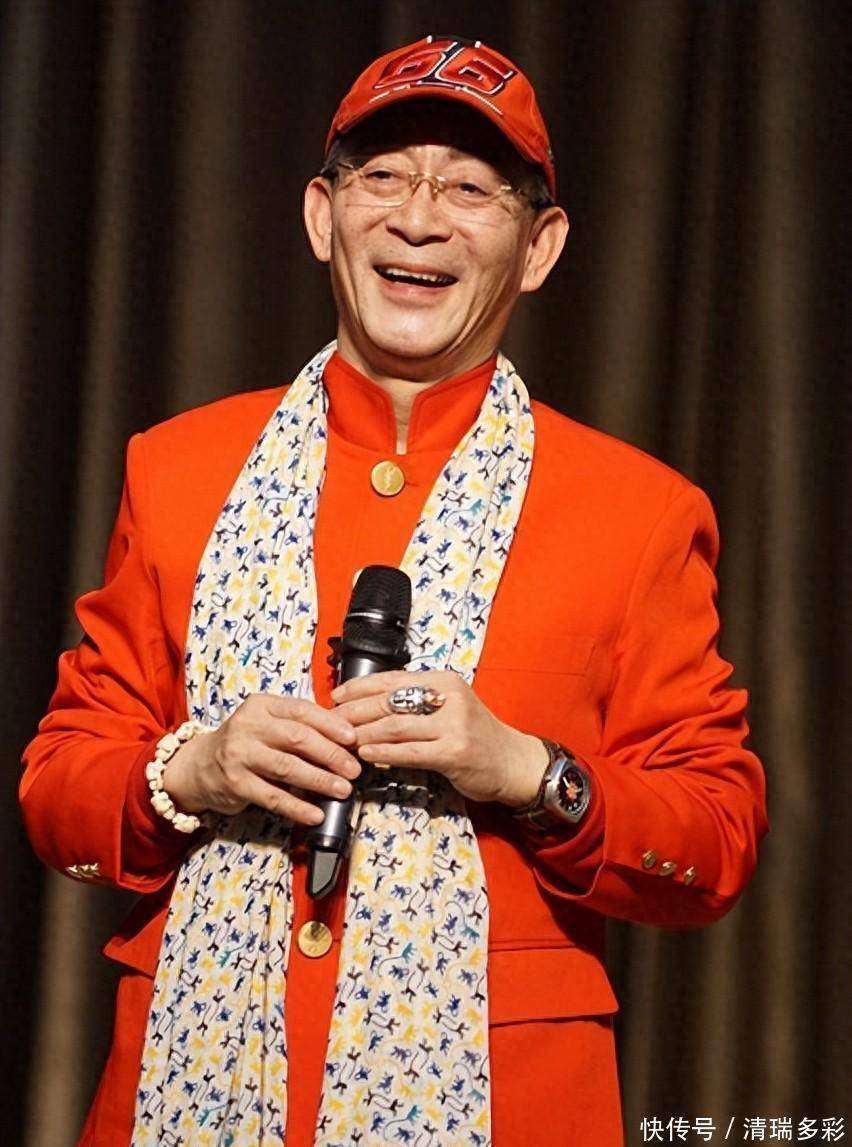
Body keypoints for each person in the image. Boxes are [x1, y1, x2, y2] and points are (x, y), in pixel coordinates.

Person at [20, 35, 768, 1147]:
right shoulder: (177, 468)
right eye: (385, 177)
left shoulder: (636, 510)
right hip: (188, 1084)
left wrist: (527, 771)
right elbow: (59, 786)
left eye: (470, 189)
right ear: (323, 216)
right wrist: (193, 769)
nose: (420, 220)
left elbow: (715, 839)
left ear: (539, 247)